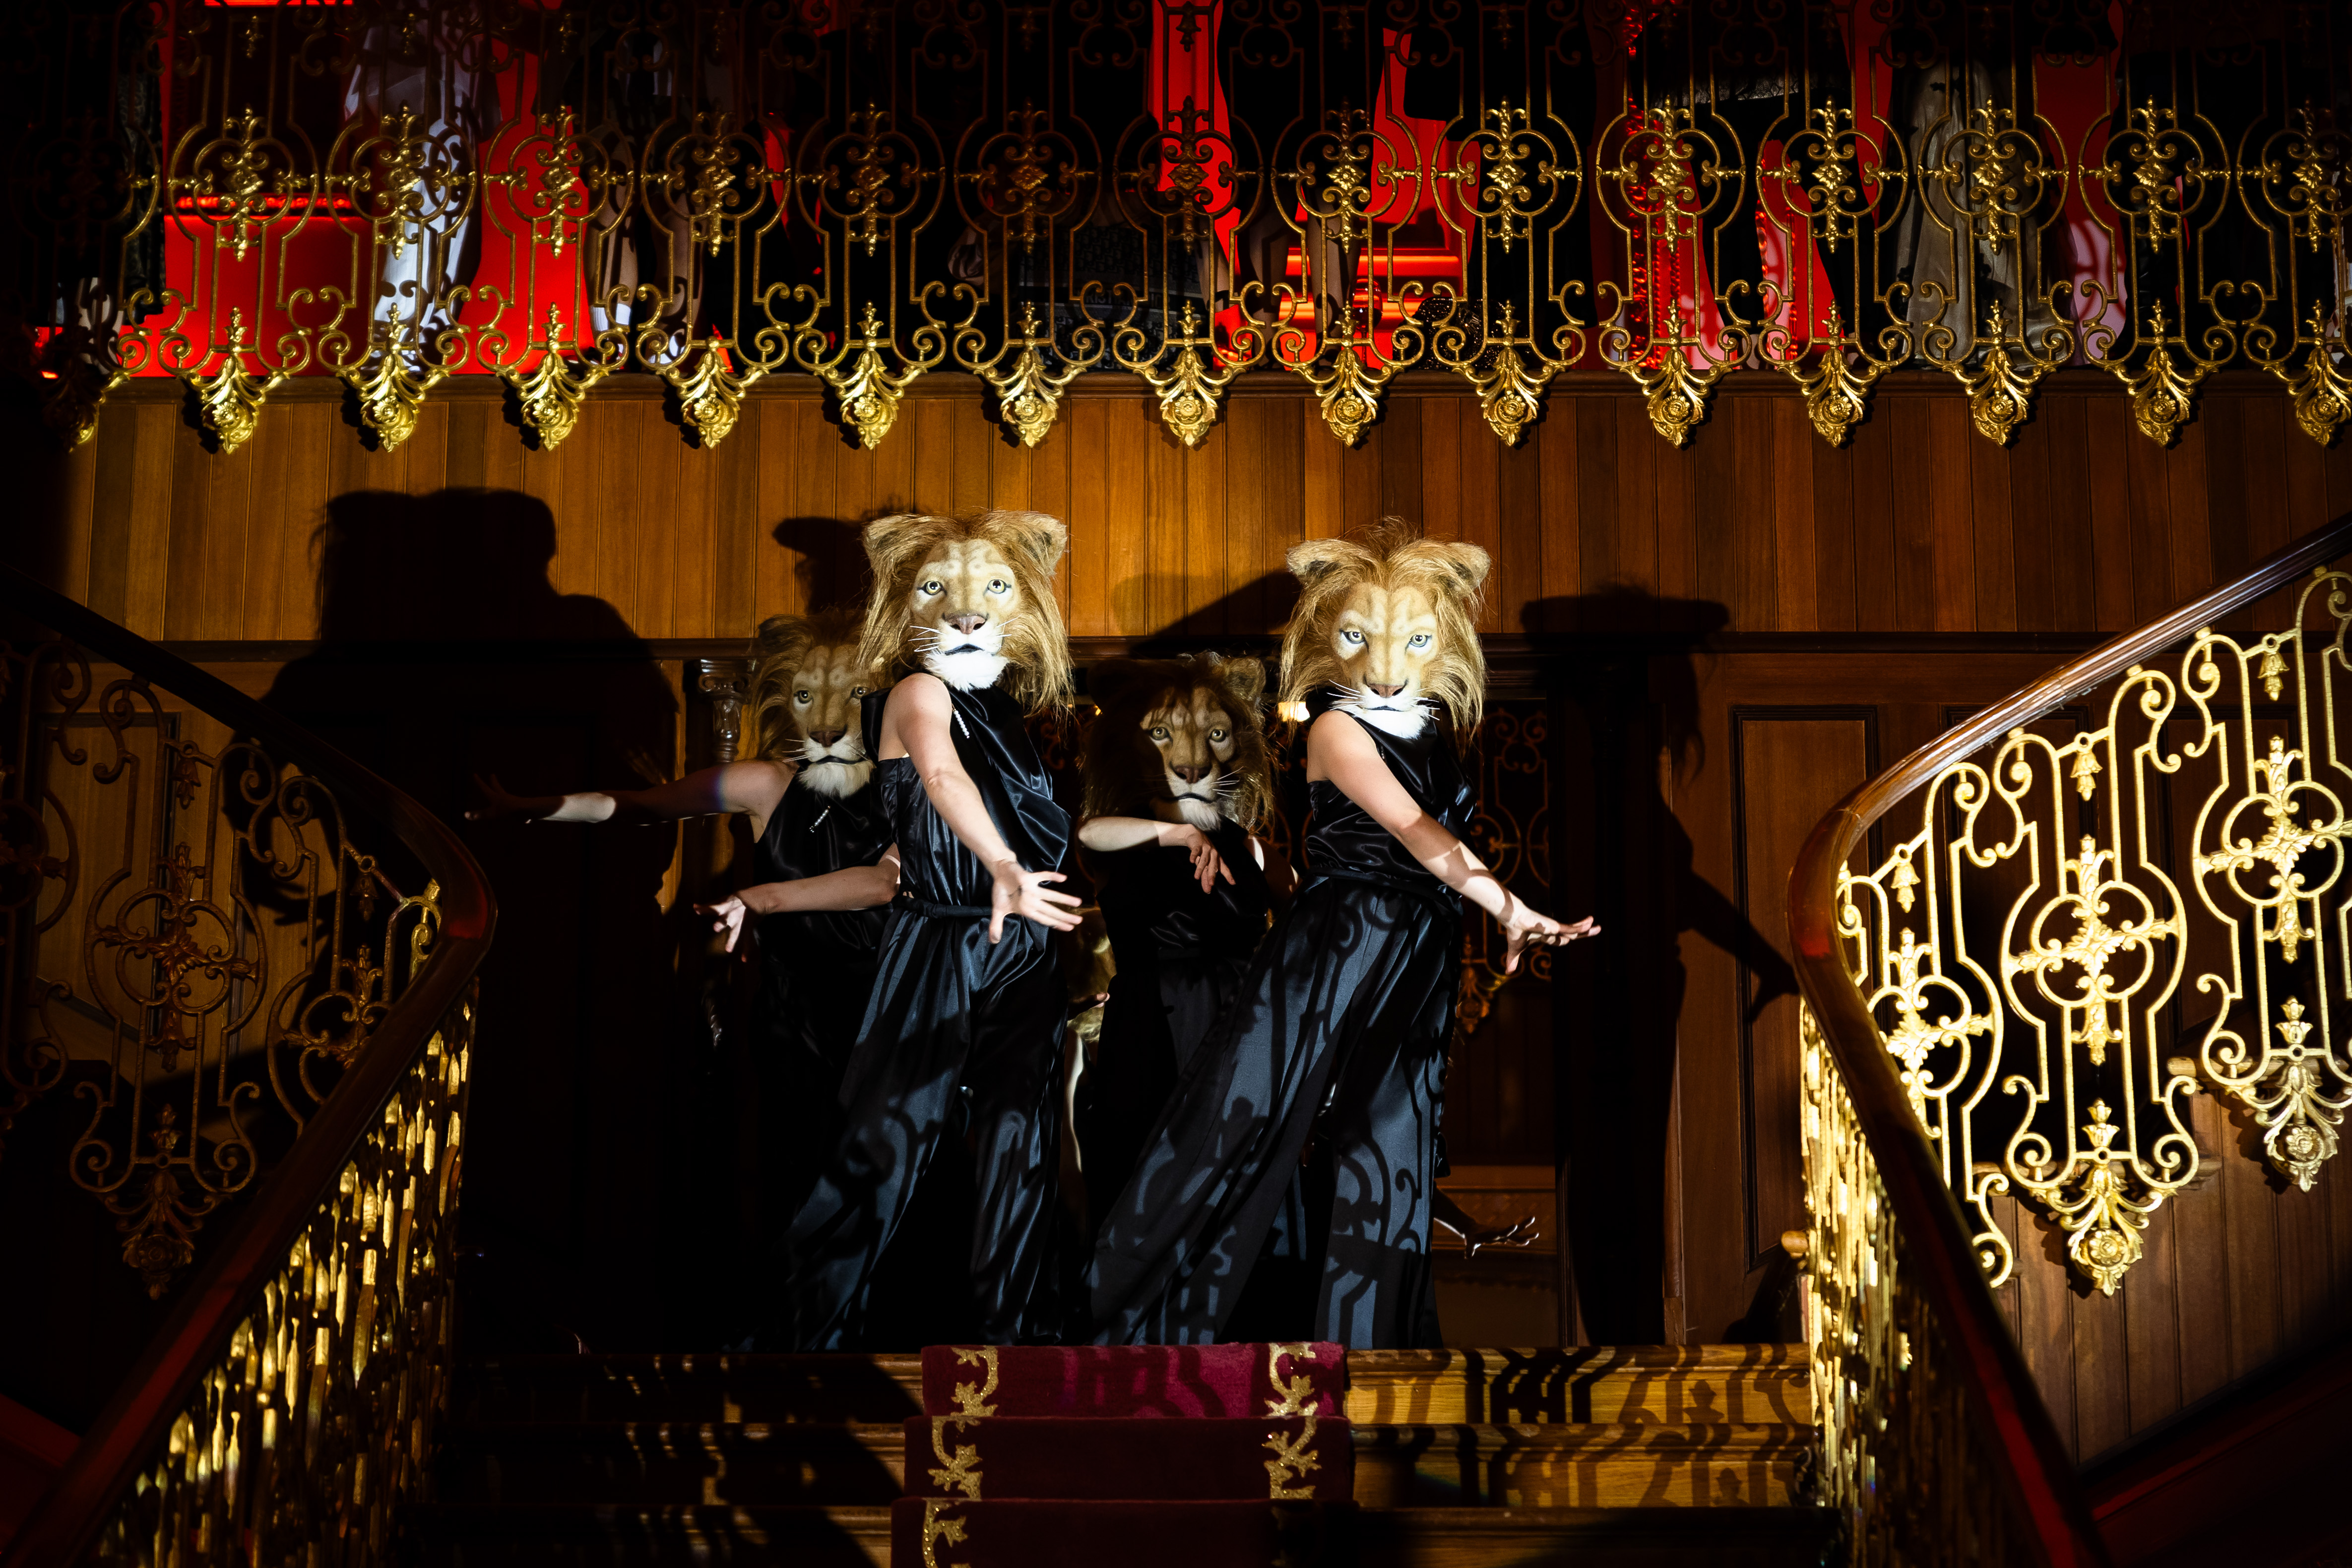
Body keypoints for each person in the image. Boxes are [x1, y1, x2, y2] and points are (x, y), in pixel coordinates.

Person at [1090, 520, 1598, 1349]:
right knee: (1239, 1124)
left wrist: (1478, 909)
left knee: (1389, 1134)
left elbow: (1429, 839)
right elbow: (1409, 828)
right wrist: (1506, 907)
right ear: (1326, 635)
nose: (1387, 668)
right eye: (1359, 637)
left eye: (1414, 640)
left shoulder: (1436, 732)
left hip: (1414, 941)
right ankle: (1126, 1323)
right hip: (1343, 937)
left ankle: (1373, 1347)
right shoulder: (1333, 728)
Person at [469, 609, 899, 1302]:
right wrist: (535, 805)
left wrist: (759, 900)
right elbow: (642, 805)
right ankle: (804, 1329)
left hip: (884, 1007)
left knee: (879, 1171)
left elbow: (882, 884)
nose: (822, 718)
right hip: (793, 1012)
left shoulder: (909, 789)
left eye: (842, 696)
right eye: (802, 697)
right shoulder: (767, 784)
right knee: (794, 1166)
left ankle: (879, 1322)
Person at [770, 508, 1083, 1350]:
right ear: (906, 606)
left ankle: (1016, 1337)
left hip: (1021, 948)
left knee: (1019, 1133)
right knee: (887, 1143)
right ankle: (811, 1335)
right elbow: (940, 778)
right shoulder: (917, 691)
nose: (966, 608)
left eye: (990, 588)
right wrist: (1003, 867)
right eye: (938, 589)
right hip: (942, 937)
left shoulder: (1011, 716)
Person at [1070, 654, 1293, 1229]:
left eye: (1214, 734)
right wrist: (1177, 831)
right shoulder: (1118, 833)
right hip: (1151, 1022)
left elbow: (1304, 923)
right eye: (1165, 734)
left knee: (1236, 1183)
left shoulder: (1254, 847)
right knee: (1145, 1170)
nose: (1191, 760)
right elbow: (1089, 831)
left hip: (1240, 1020)